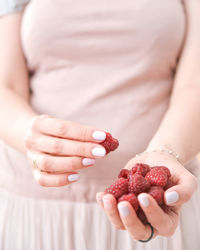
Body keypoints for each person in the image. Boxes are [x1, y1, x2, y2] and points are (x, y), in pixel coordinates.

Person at [0, 0, 200, 249]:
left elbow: (194, 84)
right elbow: (6, 86)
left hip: (154, 205)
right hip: (39, 207)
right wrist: (32, 136)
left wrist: (166, 151)